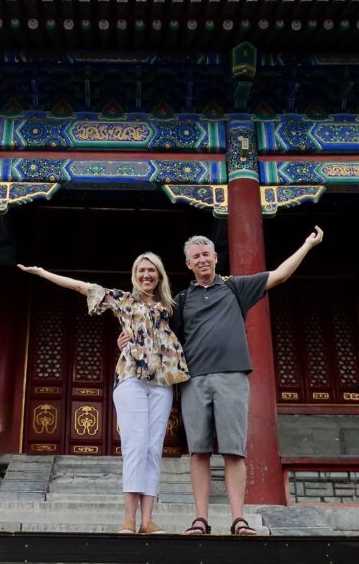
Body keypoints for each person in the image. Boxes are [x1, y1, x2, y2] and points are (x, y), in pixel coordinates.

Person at [121, 227, 323, 536]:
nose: (202, 260)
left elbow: (279, 275)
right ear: (188, 264)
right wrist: (127, 338)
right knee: (199, 451)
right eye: (195, 257)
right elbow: (155, 331)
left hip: (232, 376)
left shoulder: (235, 288)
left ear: (215, 258)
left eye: (206, 255)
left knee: (234, 450)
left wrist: (307, 244)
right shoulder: (181, 301)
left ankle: (238, 519)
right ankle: (200, 519)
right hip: (194, 380)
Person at [17, 253, 189, 535]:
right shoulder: (123, 300)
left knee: (153, 449)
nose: (147, 275)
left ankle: (147, 521)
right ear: (135, 275)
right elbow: (82, 287)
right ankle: (129, 519)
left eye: (152, 271)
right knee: (135, 446)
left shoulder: (170, 307)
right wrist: (43, 273)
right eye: (141, 270)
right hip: (132, 378)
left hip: (162, 381)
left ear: (160, 275)